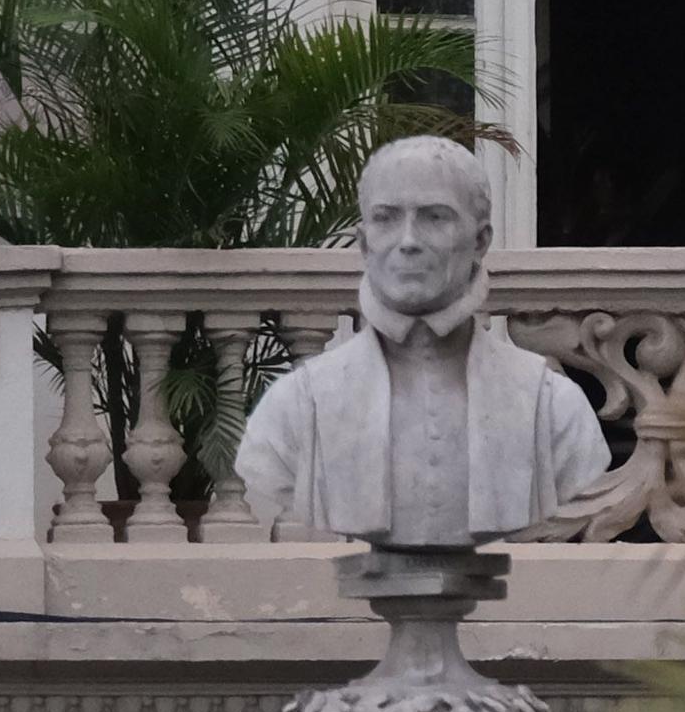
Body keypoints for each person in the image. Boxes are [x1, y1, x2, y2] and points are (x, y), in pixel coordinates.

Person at [234, 136, 609, 547]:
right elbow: (268, 472)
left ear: (481, 241)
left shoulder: (552, 408)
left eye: (434, 217)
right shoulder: (294, 408)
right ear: (363, 242)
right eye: (386, 218)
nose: (408, 240)